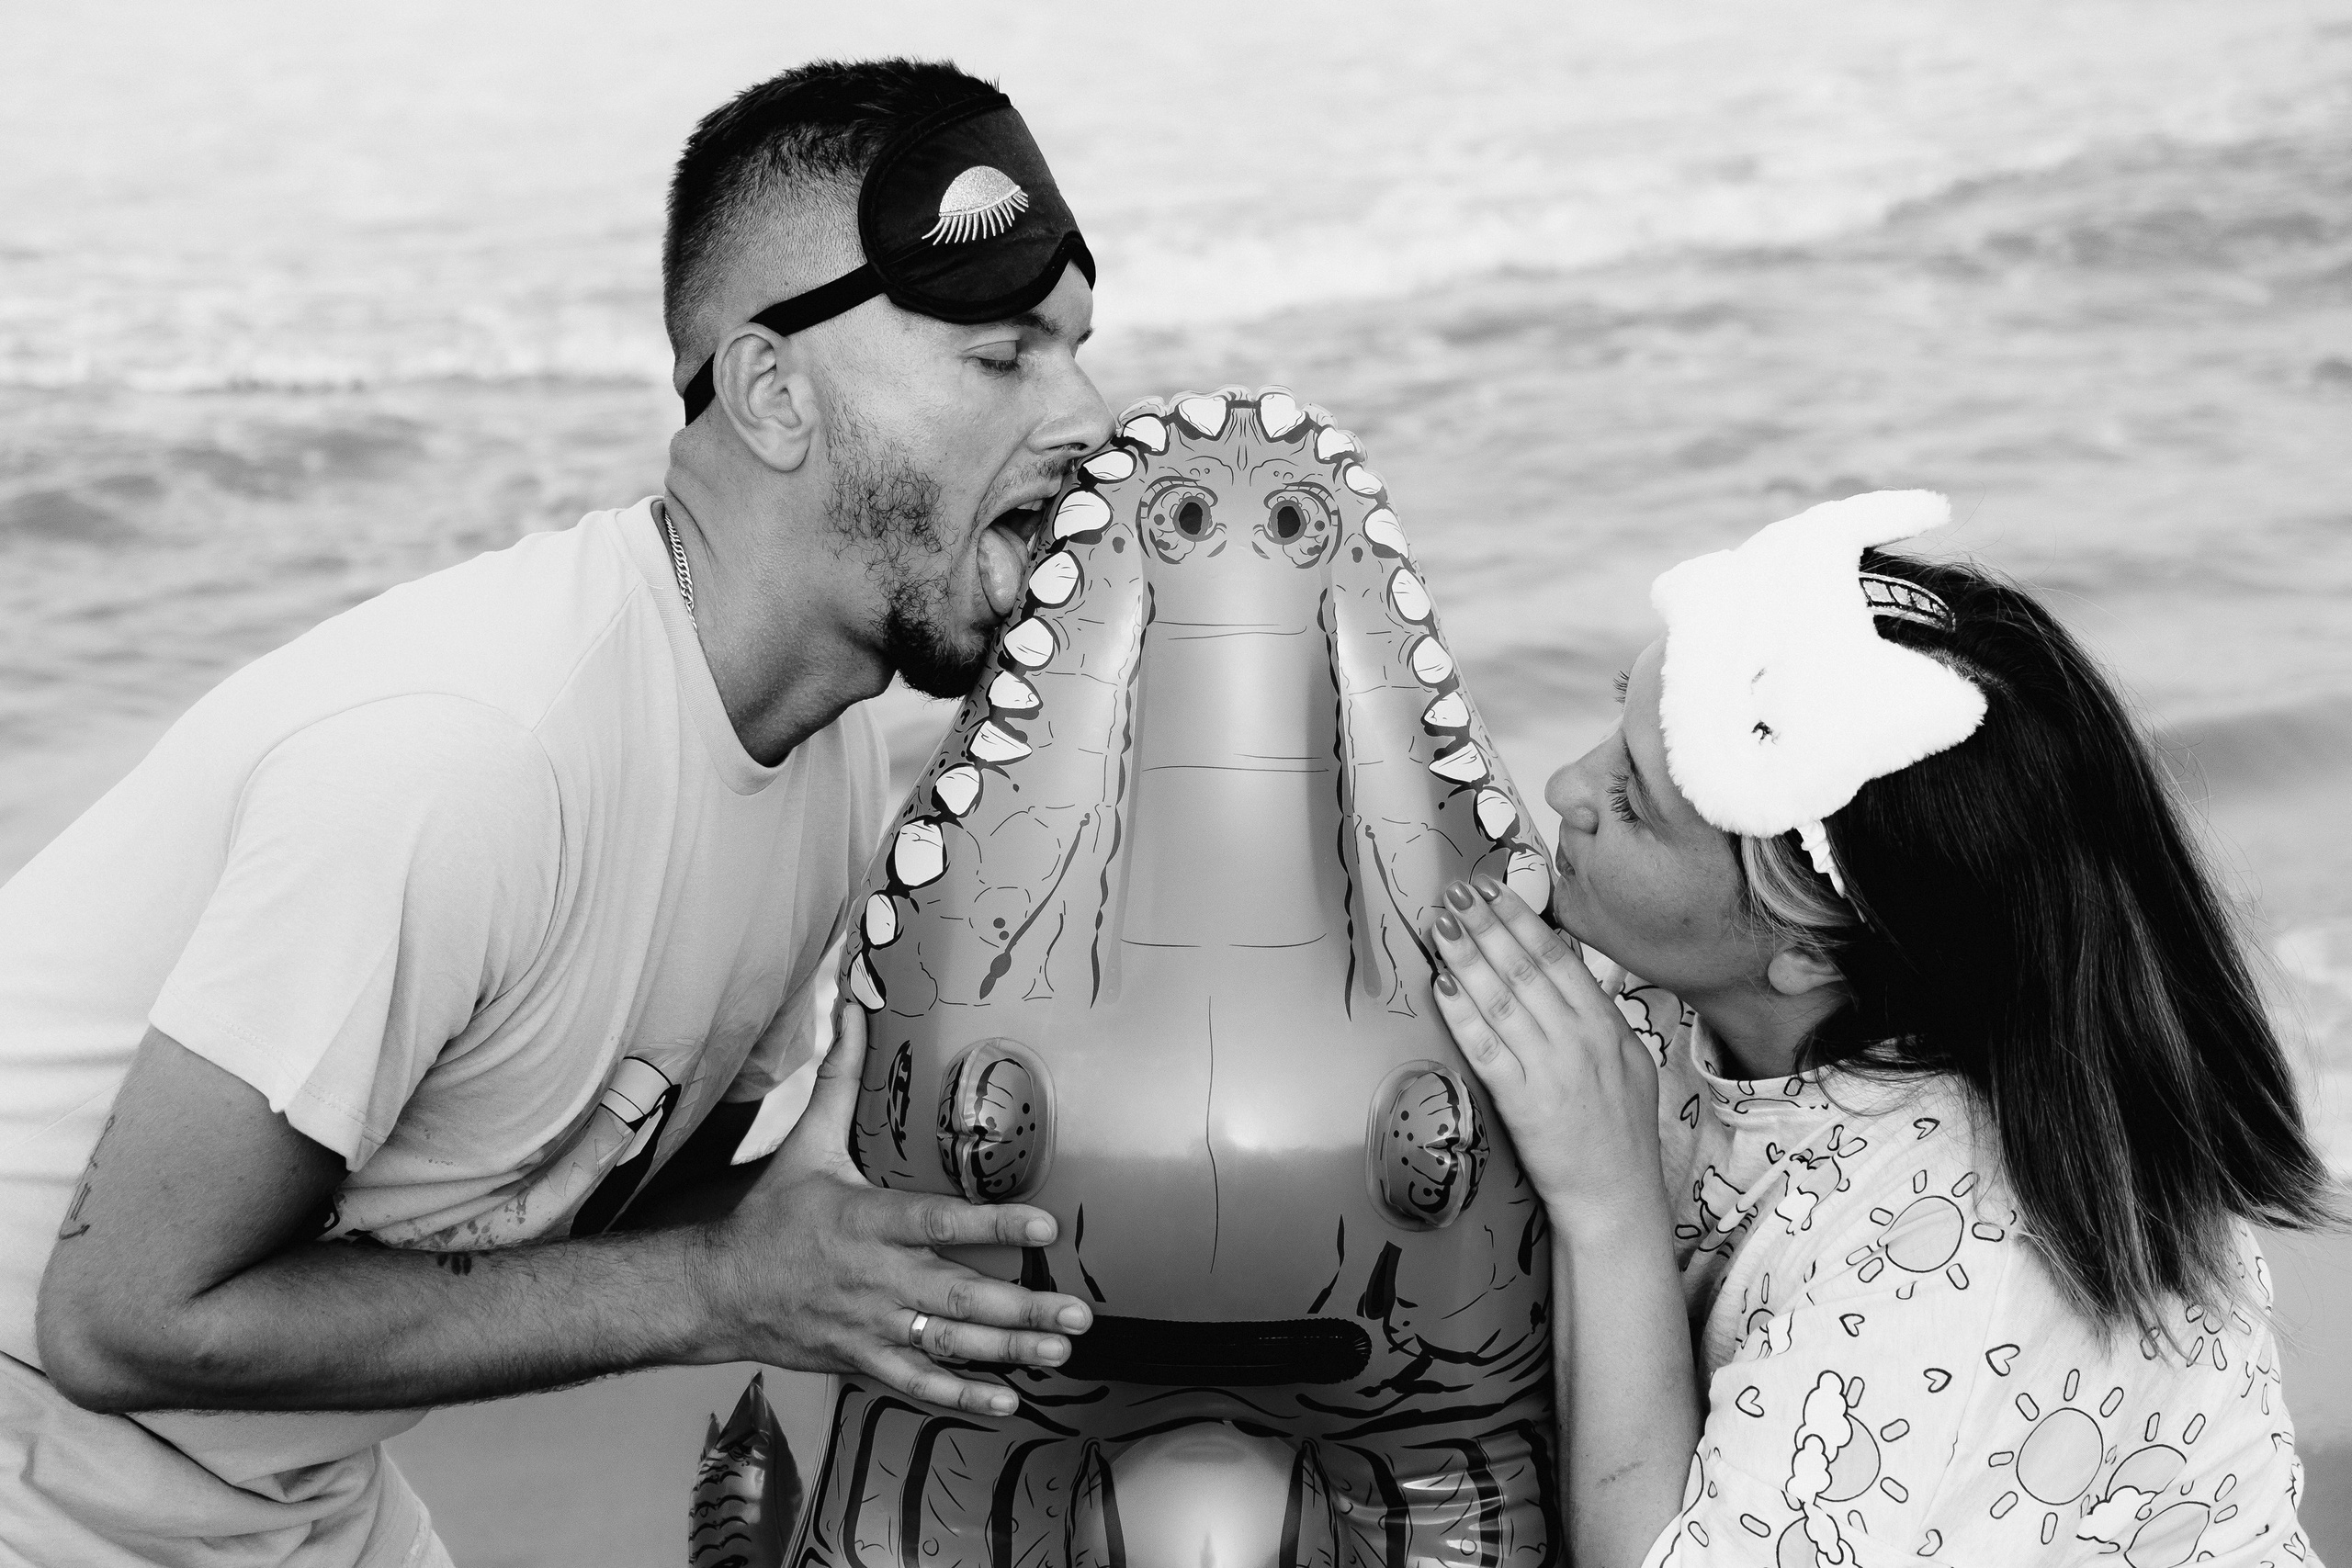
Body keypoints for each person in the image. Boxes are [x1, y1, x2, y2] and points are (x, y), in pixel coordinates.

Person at [0, 58, 1111, 1567]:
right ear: (775, 393)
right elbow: (122, 1319)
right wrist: (731, 1289)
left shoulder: (822, 754)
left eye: (1074, 354)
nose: (1088, 417)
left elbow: (641, 1199)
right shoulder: (466, 755)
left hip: (281, 1492)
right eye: (1002, 360)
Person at [1424, 491, 2334, 1566]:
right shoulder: (1707, 997)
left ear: (1810, 950)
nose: (1565, 786)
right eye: (1615, 722)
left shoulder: (1961, 1255)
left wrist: (1606, 1202)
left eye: (1633, 806)